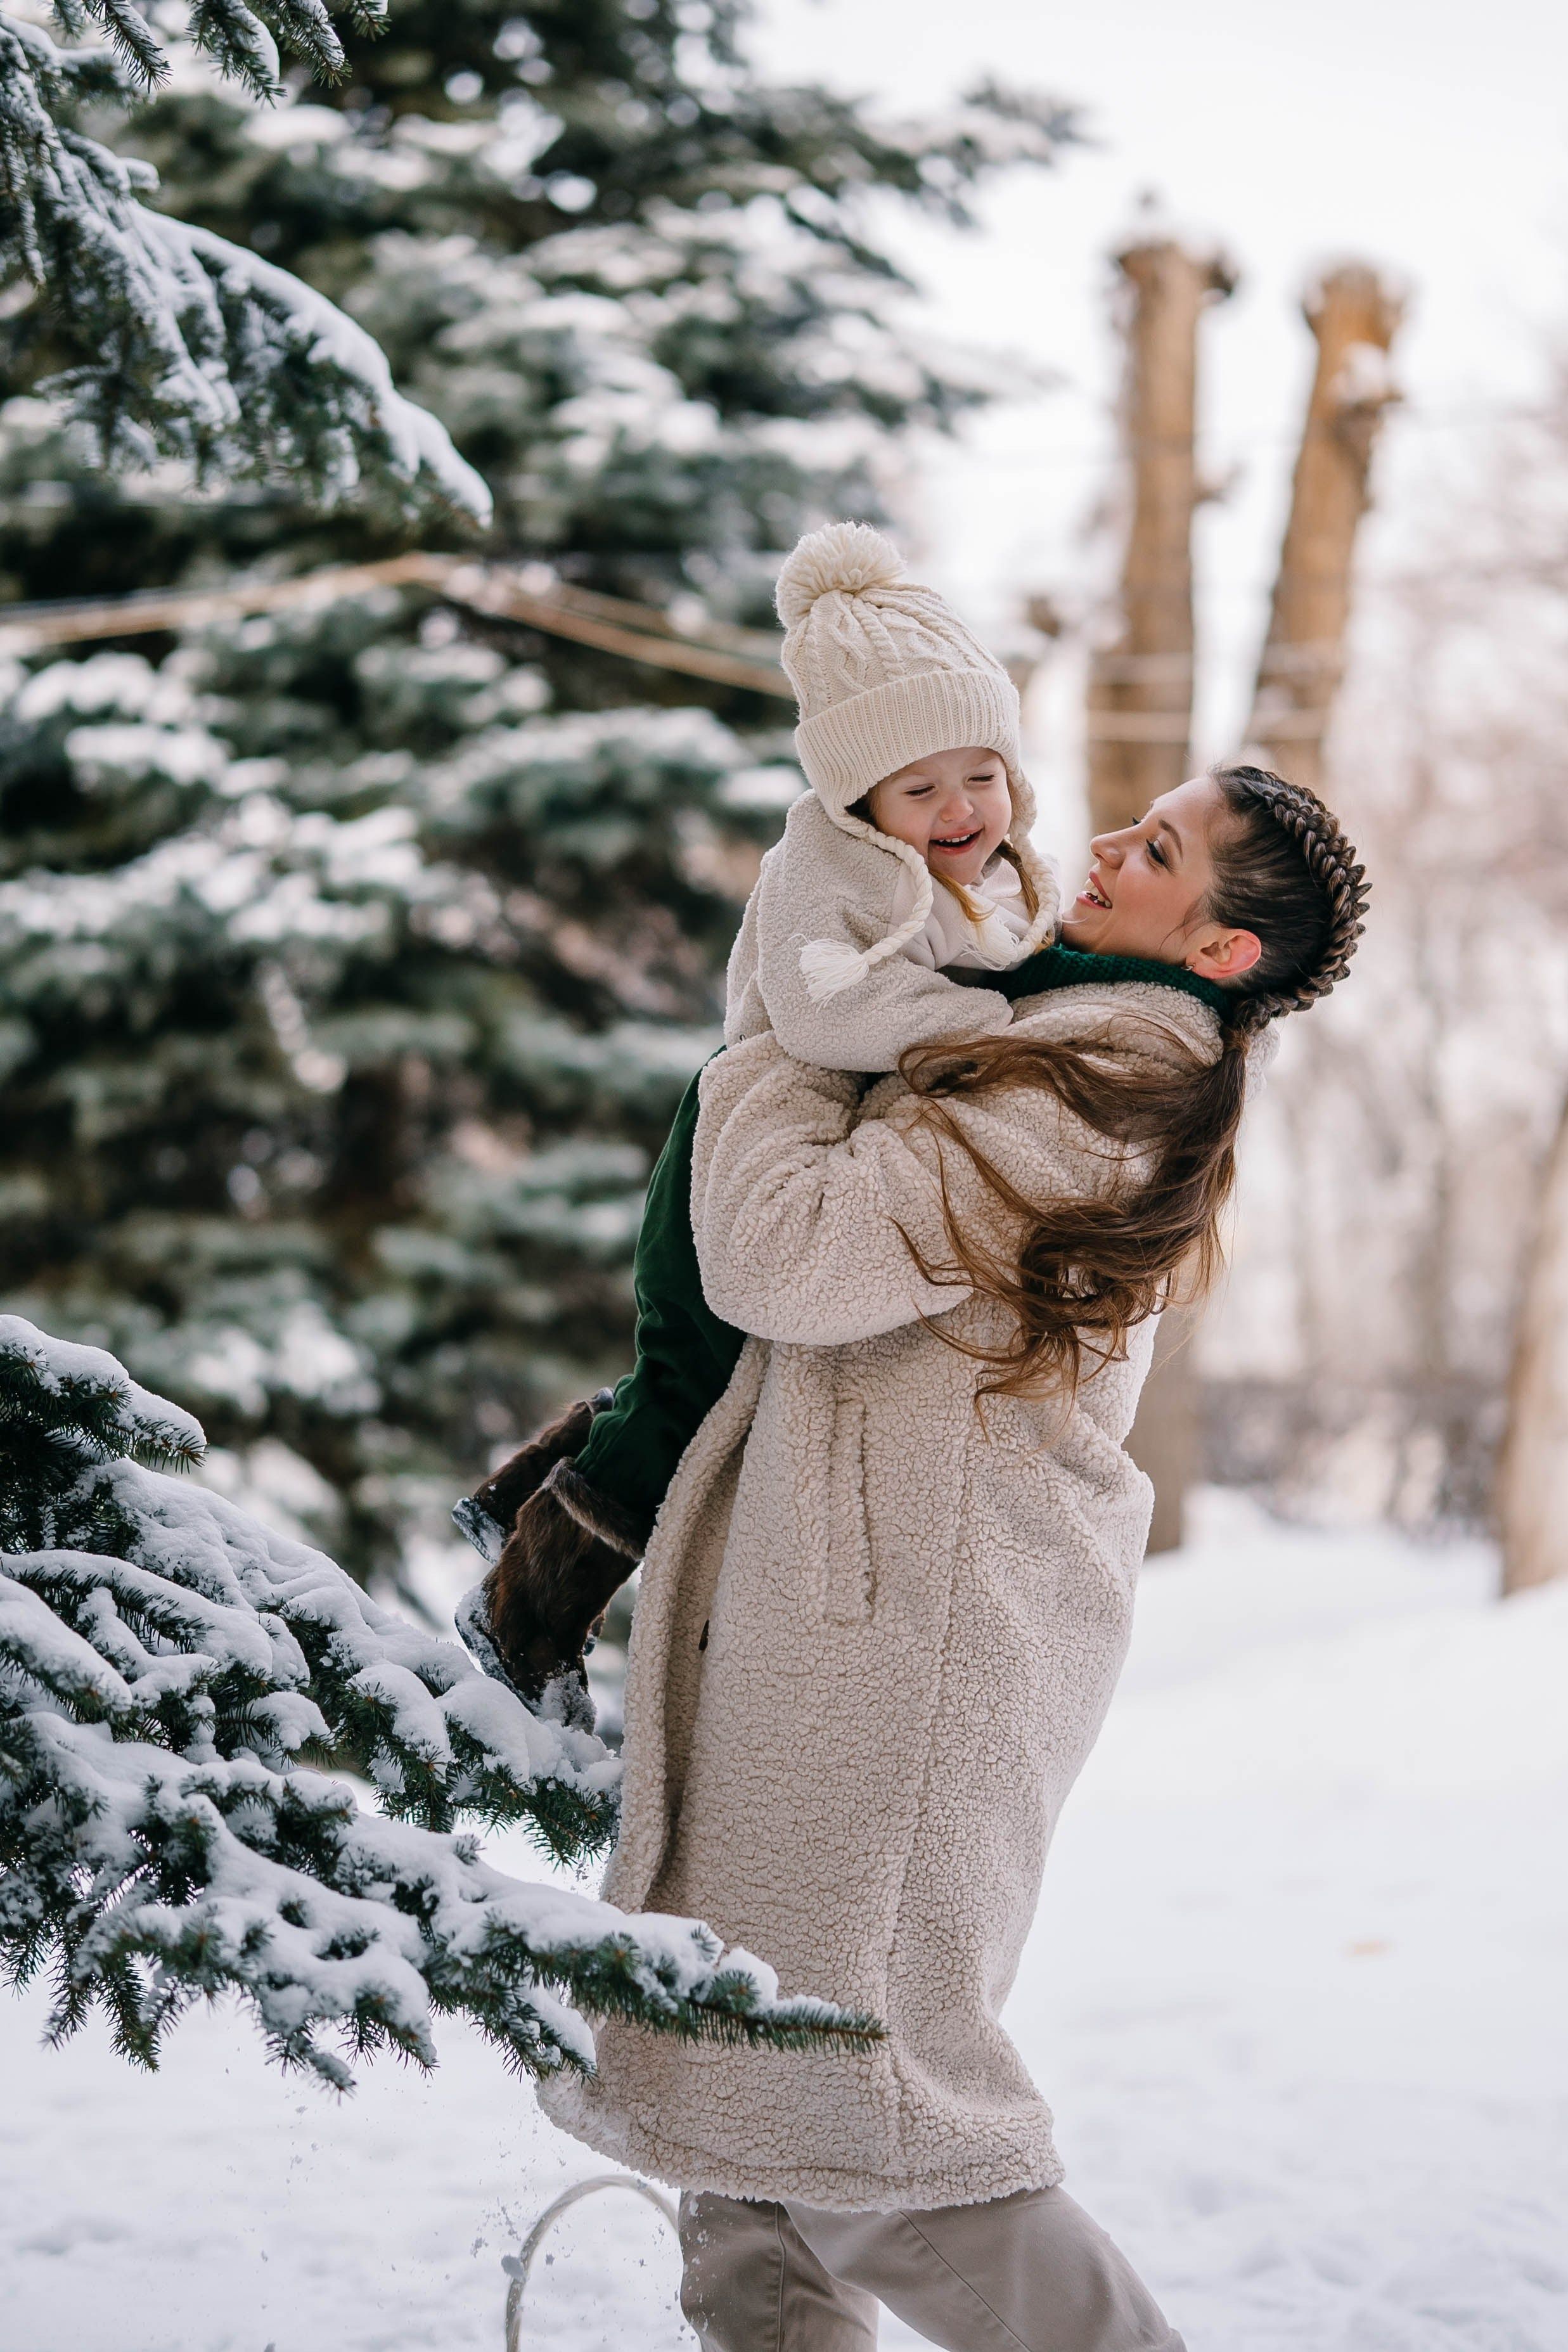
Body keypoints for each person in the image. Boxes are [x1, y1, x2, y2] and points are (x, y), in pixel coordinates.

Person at [465, 525, 1369, 2350]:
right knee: (743, 2096)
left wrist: (765, 1035)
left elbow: (785, 1248)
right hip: (841, 1600)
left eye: (1161, 847)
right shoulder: (1054, 1010)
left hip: (911, 1638)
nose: (1108, 837)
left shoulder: (1110, 1078)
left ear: (1218, 942)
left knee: (869, 2113)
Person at [454, 526, 1243, 1714]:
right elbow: (832, 1016)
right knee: (687, 1385)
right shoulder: (834, 865)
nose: (960, 809)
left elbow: (970, 968)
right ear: (859, 796)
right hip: (725, 1142)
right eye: (920, 790)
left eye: (980, 775)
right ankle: (525, 1616)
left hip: (781, 1130)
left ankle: (511, 1502)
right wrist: (984, 1030)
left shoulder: (971, 867)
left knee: (682, 1380)